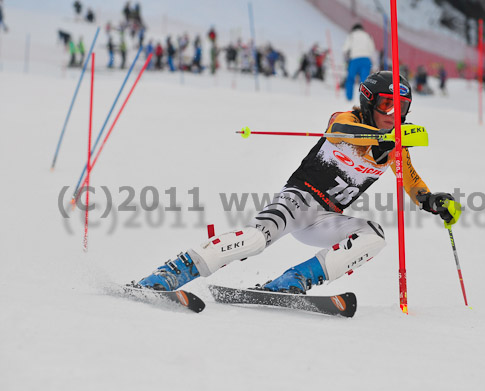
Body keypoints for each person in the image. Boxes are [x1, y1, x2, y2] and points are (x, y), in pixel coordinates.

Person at [135, 71, 462, 294]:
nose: (393, 114)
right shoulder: (348, 121)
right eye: (387, 104)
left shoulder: (395, 148)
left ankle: (293, 281)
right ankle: (172, 272)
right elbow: (342, 133)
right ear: (368, 103)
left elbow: (413, 182)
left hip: (326, 219)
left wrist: (432, 201)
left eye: (401, 107)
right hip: (297, 202)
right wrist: (383, 138)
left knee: (373, 236)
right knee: (255, 241)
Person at [342, 23, 376, 101]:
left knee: (350, 78)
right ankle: (364, 98)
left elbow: (345, 49)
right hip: (366, 59)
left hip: (354, 59)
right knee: (365, 80)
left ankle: (349, 98)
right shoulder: (368, 36)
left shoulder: (351, 36)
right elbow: (372, 49)